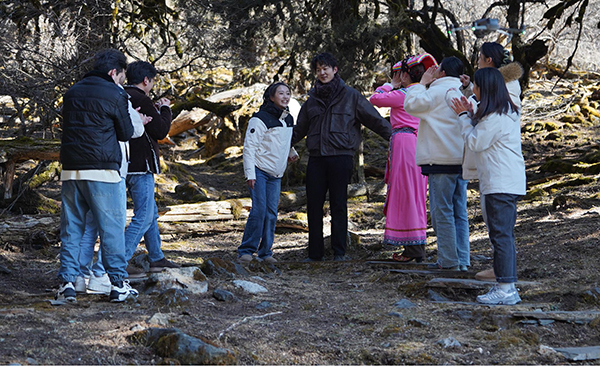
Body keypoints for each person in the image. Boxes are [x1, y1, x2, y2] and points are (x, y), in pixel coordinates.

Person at [292, 52, 392, 262]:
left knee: (339, 204)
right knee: (313, 205)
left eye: (326, 68)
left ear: (335, 69)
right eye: (318, 70)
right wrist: (276, 144)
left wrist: (396, 138)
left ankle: (340, 252)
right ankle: (315, 254)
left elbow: (374, 120)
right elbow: (298, 130)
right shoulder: (311, 100)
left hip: (341, 157)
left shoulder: (351, 96)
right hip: (316, 159)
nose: (322, 72)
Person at [57, 49, 138, 303]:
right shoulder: (116, 93)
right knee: (111, 230)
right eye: (122, 76)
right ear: (114, 72)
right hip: (103, 170)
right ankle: (117, 283)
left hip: (70, 170)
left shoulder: (72, 92)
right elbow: (126, 133)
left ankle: (68, 283)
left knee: (72, 229)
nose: (122, 81)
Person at [449, 67, 525, 304]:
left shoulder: (496, 117)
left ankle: (506, 288)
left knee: (501, 236)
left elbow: (474, 141)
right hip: (502, 180)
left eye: (476, 85)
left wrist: (463, 116)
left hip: (500, 182)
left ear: (486, 88)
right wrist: (471, 113)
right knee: (501, 235)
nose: (473, 89)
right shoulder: (500, 112)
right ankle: (505, 284)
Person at [74, 98, 151, 295]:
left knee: (89, 225)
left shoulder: (83, 95)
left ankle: (80, 276)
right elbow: (135, 129)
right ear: (115, 73)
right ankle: (101, 274)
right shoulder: (118, 95)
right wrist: (137, 117)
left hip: (87, 167)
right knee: (111, 226)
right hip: (113, 169)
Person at [404, 56, 470, 271]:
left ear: (441, 73)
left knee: (442, 212)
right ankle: (462, 259)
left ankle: (449, 261)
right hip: (461, 159)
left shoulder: (435, 92)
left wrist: (420, 84)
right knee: (459, 212)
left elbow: (411, 105)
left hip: (440, 160)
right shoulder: (460, 92)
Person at [369, 54, 437, 262]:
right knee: (413, 191)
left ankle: (414, 248)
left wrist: (390, 84)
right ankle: (412, 246)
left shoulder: (405, 94)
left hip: (405, 143)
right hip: (418, 143)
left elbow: (375, 99)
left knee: (406, 190)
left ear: (406, 76)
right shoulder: (424, 93)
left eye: (399, 74)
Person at [124, 61, 180, 275]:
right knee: (145, 215)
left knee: (151, 212)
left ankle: (156, 256)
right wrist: (165, 109)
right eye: (152, 80)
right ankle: (120, 260)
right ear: (146, 80)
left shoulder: (121, 96)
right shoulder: (140, 98)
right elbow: (160, 130)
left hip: (124, 163)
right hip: (141, 165)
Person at [237, 82, 298, 264]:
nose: (285, 97)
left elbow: (284, 141)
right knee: (259, 210)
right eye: (281, 93)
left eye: (288, 93)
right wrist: (250, 174)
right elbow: (249, 148)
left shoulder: (288, 118)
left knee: (272, 213)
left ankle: (266, 252)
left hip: (276, 174)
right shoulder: (259, 119)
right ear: (271, 97)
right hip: (259, 170)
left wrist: (291, 153)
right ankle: (246, 250)